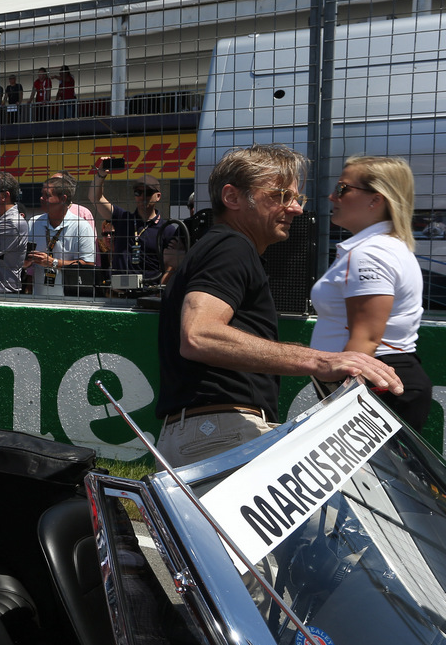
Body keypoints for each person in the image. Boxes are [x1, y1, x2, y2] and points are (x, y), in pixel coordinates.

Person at [155, 144, 403, 467]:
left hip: (206, 434)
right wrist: (321, 361)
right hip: (219, 434)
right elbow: (199, 335)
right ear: (232, 198)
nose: (297, 209)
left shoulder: (222, 247)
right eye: (281, 196)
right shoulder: (231, 245)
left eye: (297, 199)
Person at [311, 156, 429, 432]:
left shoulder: (370, 254)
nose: (331, 196)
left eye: (342, 189)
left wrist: (340, 402)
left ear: (375, 200)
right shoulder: (384, 247)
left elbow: (366, 338)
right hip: (380, 380)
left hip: (373, 383)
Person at [90, 162, 176, 285]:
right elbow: (95, 198)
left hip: (149, 297)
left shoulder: (167, 230)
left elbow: (172, 266)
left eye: (147, 192)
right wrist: (101, 175)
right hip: (119, 295)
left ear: (158, 196)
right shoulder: (123, 219)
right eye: (138, 192)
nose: (142, 196)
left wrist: (160, 291)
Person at [24, 175, 94, 297]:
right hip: (39, 298)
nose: (41, 198)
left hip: (71, 299)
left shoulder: (81, 226)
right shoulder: (33, 222)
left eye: (47, 195)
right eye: (42, 194)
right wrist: (26, 261)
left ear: (63, 198)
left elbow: (88, 264)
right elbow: (26, 259)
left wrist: (54, 262)